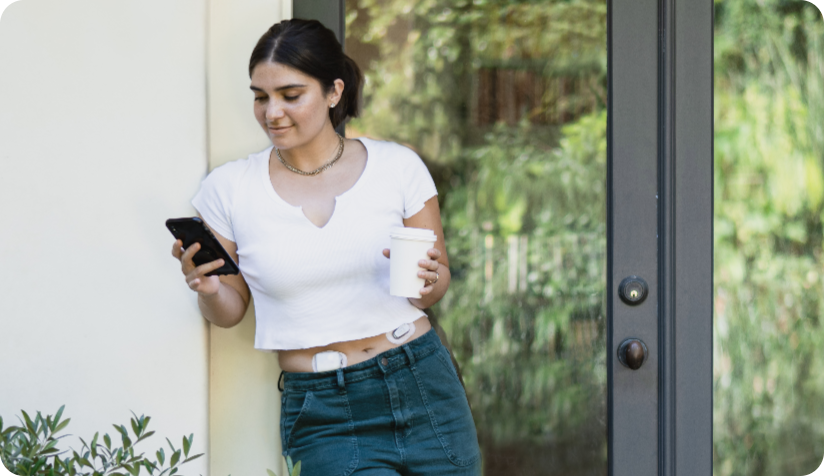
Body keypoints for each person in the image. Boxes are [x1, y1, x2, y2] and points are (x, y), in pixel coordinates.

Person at [171, 18, 481, 476]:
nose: (272, 112)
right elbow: (231, 310)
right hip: (324, 412)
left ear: (334, 92)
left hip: (421, 383)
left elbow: (432, 288)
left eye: (290, 95)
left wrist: (431, 281)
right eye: (260, 96)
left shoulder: (398, 168)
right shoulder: (230, 190)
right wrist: (208, 288)